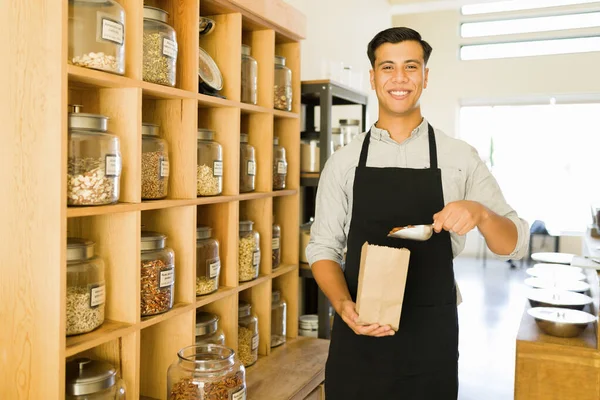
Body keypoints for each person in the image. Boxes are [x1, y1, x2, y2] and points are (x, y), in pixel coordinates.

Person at [306, 27, 529, 399]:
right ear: (373, 76)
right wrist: (344, 305)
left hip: (431, 338)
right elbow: (323, 248)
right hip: (360, 327)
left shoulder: (460, 158)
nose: (399, 78)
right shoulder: (343, 162)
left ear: (425, 77)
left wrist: (482, 214)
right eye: (387, 67)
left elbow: (515, 244)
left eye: (411, 67)